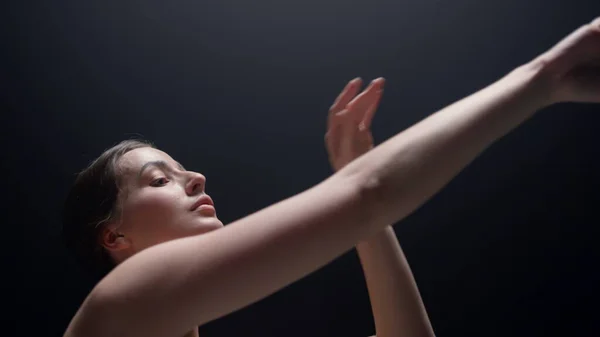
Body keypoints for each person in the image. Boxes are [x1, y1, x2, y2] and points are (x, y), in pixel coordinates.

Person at [62, 17, 600, 337]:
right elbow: (368, 195)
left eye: (184, 172)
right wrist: (543, 77)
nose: (198, 179)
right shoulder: (119, 306)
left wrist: (358, 188)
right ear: (114, 238)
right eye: (160, 180)